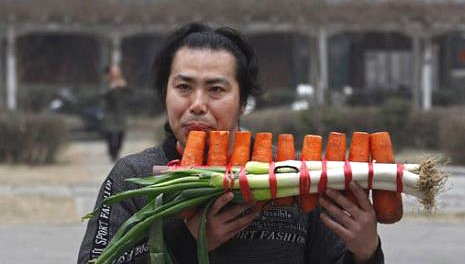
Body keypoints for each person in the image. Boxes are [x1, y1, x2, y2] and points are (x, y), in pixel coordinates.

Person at [78, 22, 384, 264]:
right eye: (183, 87)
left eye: (216, 89)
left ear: (242, 102)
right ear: (165, 94)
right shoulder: (133, 177)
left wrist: (366, 252)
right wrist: (190, 242)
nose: (197, 104)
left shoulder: (296, 176)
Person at [100, 64, 129, 162]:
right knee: (110, 134)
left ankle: (117, 150)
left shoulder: (122, 82)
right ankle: (112, 153)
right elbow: (101, 95)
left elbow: (132, 95)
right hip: (109, 113)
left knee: (121, 133)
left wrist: (124, 87)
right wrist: (111, 88)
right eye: (114, 71)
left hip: (121, 113)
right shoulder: (106, 82)